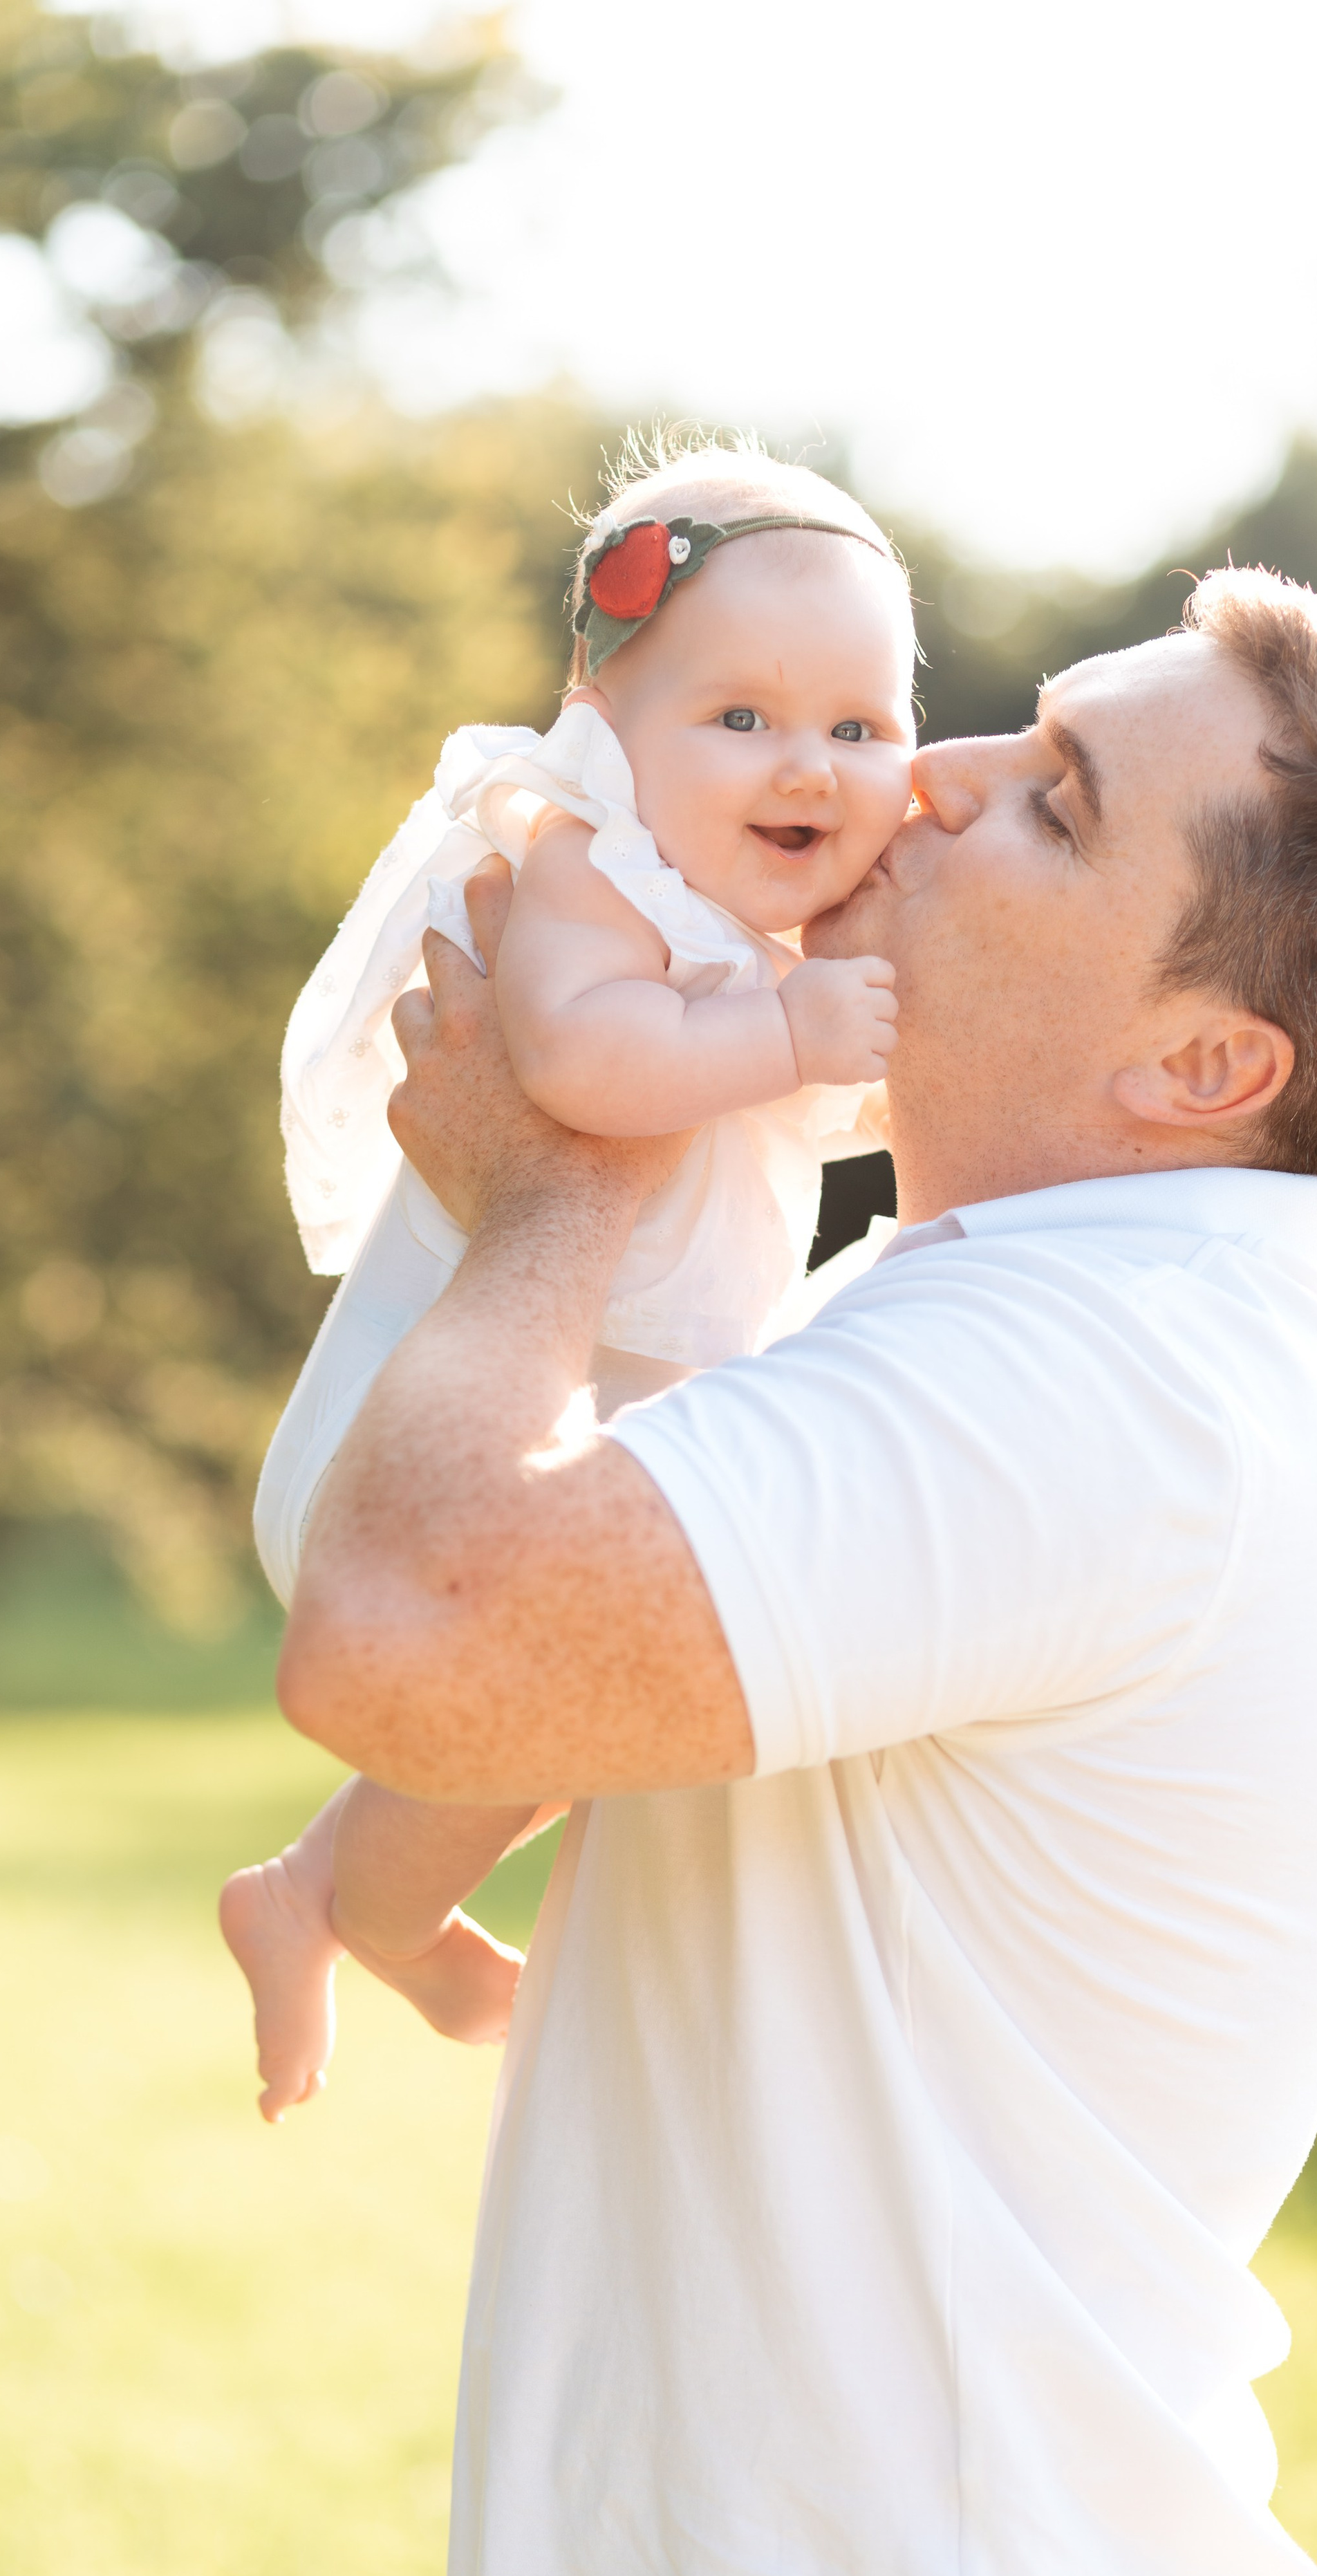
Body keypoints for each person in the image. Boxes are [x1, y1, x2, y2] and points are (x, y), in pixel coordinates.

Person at [277, 567, 1317, 2576]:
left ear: (1206, 1056)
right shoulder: (1007, 1317)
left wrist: (553, 1195)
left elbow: (409, 1644)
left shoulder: (1115, 1377)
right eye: (1013, 727)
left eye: (1054, 798)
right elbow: (542, 1690)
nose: (924, 779)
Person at [223, 443, 914, 2120]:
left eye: (857, 723)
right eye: (736, 717)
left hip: (546, 1448)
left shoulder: (758, 925)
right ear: (601, 730)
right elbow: (582, 1058)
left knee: (586, 1701)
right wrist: (789, 1035)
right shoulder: (585, 865)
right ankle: (359, 1905)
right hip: (408, 1459)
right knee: (551, 1688)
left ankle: (322, 1887)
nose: (801, 761)